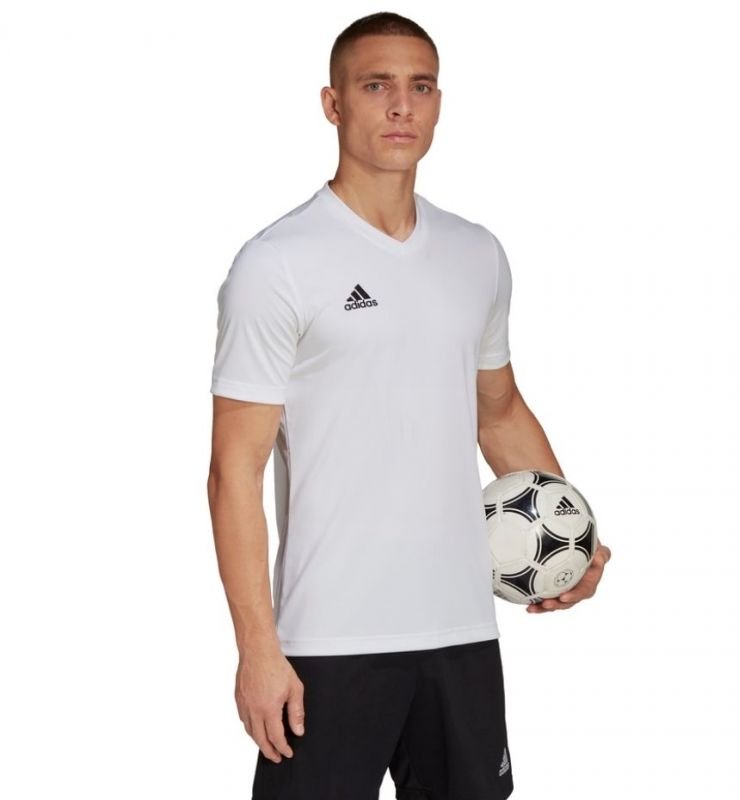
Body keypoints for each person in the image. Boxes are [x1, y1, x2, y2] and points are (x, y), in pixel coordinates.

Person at [207, 11, 611, 800]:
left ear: (438, 103)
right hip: (328, 640)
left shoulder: (476, 253)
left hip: (460, 629)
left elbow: (499, 411)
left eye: (420, 87)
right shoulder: (277, 264)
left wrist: (574, 534)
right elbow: (233, 472)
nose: (401, 105)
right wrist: (257, 648)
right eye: (376, 86)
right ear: (333, 104)